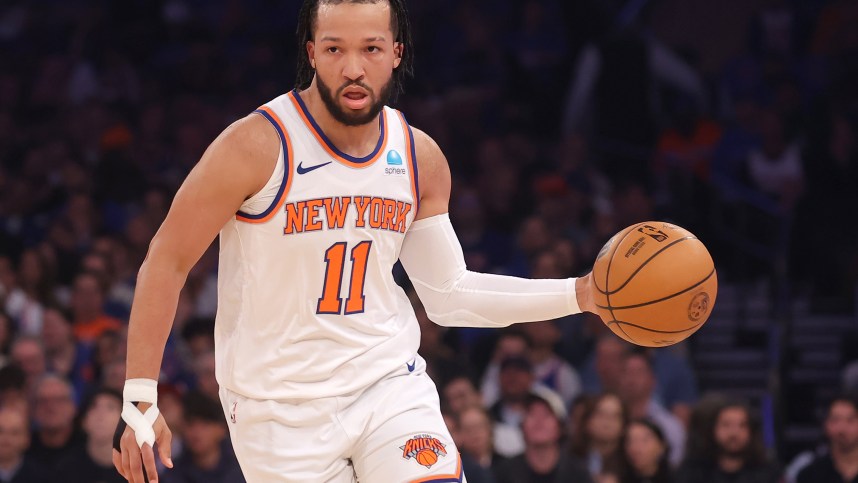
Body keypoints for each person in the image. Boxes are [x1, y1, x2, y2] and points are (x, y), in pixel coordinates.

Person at [112, 1, 598, 482]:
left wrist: (581, 294)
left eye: (370, 49)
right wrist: (140, 396)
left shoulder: (417, 156)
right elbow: (167, 261)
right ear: (311, 54)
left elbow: (449, 294)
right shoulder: (255, 145)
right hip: (278, 411)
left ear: (396, 53)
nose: (352, 68)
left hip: (387, 385)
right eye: (334, 49)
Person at [494, 386, 593, 483]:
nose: (539, 421)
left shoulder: (578, 473)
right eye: (532, 414)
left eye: (546, 415)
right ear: (522, 426)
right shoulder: (504, 473)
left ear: (560, 426)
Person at [675, 399, 780, 483]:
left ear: (751, 432)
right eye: (726, 425)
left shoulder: (770, 473)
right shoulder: (691, 473)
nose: (734, 433)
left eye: (742, 425)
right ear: (713, 430)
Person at [56, 388, 126, 483]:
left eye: (110, 407)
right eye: (94, 407)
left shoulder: (139, 470)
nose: (100, 415)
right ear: (83, 421)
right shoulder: (64, 469)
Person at [796, 394, 858, 483]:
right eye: (835, 420)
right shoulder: (809, 475)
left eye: (850, 420)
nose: (842, 428)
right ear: (826, 425)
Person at [622, 419, 673, 483]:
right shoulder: (617, 477)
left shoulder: (678, 477)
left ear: (661, 446)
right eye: (630, 441)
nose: (636, 448)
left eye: (644, 440)